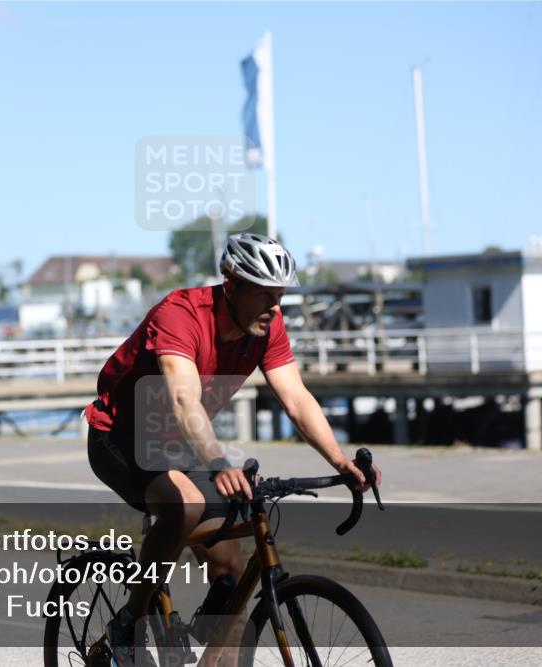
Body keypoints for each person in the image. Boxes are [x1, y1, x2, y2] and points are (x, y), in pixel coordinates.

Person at [85, 233, 382, 666]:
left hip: (183, 445)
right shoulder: (181, 315)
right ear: (232, 285)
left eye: (280, 295)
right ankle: (129, 620)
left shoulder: (266, 327)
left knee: (232, 578)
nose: (275, 306)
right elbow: (184, 400)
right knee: (184, 505)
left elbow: (296, 400)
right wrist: (220, 463)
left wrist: (340, 460)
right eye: (265, 294)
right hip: (121, 437)